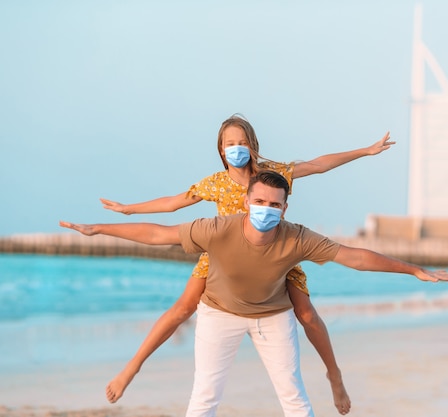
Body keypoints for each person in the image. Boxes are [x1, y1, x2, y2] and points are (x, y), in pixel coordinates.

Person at [60, 170, 448, 417]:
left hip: (272, 317)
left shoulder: (297, 237)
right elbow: (158, 235)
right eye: (260, 202)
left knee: (294, 398)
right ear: (247, 201)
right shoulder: (218, 229)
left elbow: (353, 257)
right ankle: (133, 366)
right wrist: (100, 228)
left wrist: (413, 270)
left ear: (284, 208)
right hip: (219, 314)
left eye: (275, 204)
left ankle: (333, 374)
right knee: (204, 398)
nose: (266, 209)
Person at [98, 114, 395, 414]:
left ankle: (334, 374)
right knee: (182, 309)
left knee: (306, 314)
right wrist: (129, 210)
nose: (236, 148)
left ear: (253, 146)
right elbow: (173, 203)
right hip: (223, 257)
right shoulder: (215, 183)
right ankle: (132, 369)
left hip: (274, 254)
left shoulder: (271, 174)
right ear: (221, 149)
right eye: (230, 144)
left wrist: (364, 151)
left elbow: (318, 165)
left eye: (242, 143)